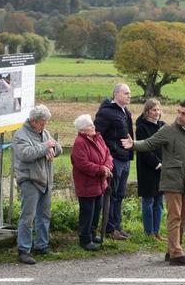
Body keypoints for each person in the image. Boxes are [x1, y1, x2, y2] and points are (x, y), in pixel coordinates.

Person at [122, 100, 185, 266]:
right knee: (174, 217)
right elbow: (149, 143)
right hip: (172, 180)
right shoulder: (168, 130)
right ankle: (176, 254)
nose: (179, 116)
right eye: (178, 112)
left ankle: (173, 249)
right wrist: (133, 145)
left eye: (183, 113)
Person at [13, 105, 62, 265]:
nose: (44, 125)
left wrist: (53, 148)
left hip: (46, 179)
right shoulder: (20, 135)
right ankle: (24, 250)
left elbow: (58, 148)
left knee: (44, 215)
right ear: (33, 121)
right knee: (28, 216)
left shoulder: (44, 133)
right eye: (42, 122)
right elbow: (25, 154)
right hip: (30, 180)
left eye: (45, 122)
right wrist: (44, 147)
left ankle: (42, 245)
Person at [94, 82, 134, 240]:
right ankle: (109, 228)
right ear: (116, 94)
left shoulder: (126, 112)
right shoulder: (106, 112)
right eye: (126, 93)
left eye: (129, 94)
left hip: (125, 158)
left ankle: (117, 225)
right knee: (111, 194)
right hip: (114, 158)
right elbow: (97, 135)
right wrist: (113, 149)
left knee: (120, 194)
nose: (129, 96)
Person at [71, 114, 114, 251]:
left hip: (100, 182)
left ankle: (92, 234)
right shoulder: (79, 143)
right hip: (86, 184)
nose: (93, 127)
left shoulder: (98, 137)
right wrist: (101, 170)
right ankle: (84, 239)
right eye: (90, 125)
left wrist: (107, 167)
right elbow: (82, 164)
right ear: (82, 130)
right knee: (87, 213)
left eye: (92, 124)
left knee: (96, 211)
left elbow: (107, 154)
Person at [135, 99, 166, 241]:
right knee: (148, 202)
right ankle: (149, 233)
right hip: (148, 168)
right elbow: (143, 149)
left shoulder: (163, 126)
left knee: (159, 202)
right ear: (147, 111)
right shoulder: (141, 127)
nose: (157, 113)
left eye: (158, 110)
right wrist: (157, 163)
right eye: (154, 110)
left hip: (162, 169)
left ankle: (157, 231)